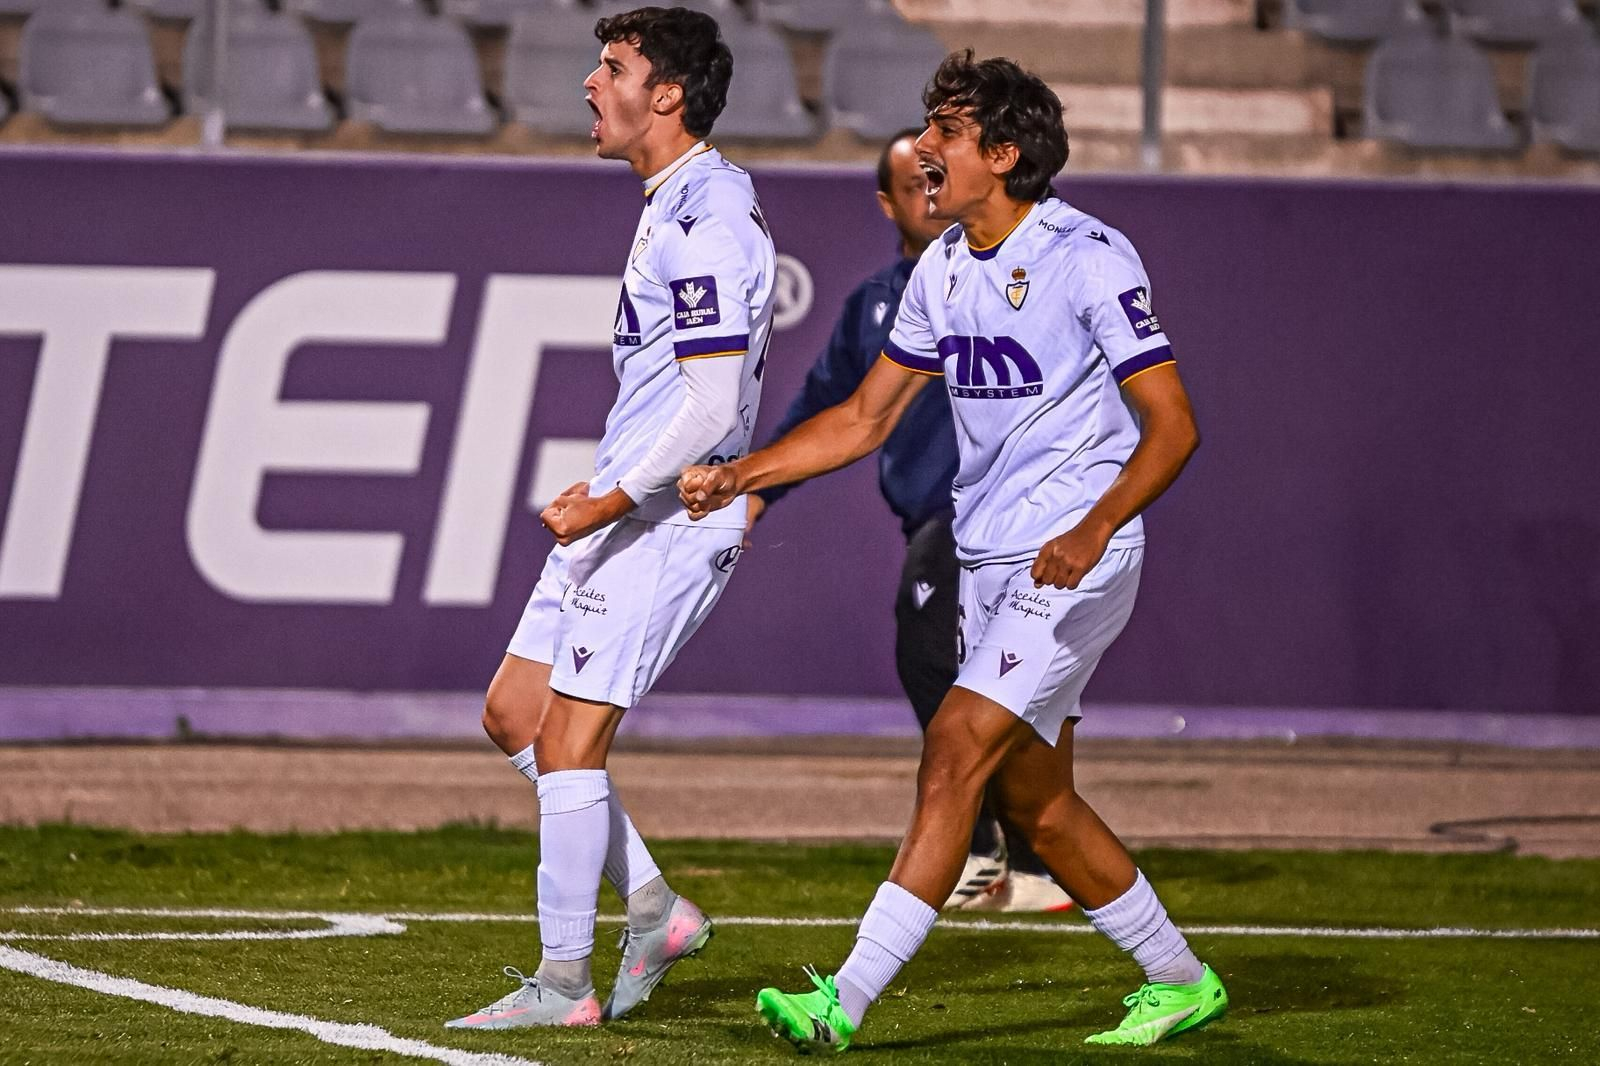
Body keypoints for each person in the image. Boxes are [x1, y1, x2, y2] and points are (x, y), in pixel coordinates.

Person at [679, 51, 1227, 1050]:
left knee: (953, 751)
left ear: (1005, 154)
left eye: (946, 132)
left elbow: (1173, 426)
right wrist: (744, 473)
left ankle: (841, 996)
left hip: (1073, 558)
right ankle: (1181, 979)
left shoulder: (1089, 255)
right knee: (1043, 806)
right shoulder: (940, 266)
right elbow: (863, 416)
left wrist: (1092, 526)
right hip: (987, 561)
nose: (923, 150)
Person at [445, 6, 775, 1030]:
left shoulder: (707, 214)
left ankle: (561, 983)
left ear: (664, 94)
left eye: (613, 67)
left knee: (573, 742)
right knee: (516, 714)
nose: (590, 84)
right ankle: (653, 909)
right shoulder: (670, 199)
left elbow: (716, 405)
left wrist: (612, 495)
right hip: (625, 506)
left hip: (666, 516)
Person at [747, 128, 1071, 913]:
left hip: (990, 518)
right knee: (979, 682)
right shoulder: (885, 303)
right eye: (914, 183)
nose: (930, 194)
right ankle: (1023, 852)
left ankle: (999, 846)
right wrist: (757, 487)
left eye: (937, 175)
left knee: (940, 660)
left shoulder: (1010, 278)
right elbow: (833, 408)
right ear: (888, 203)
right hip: (939, 521)